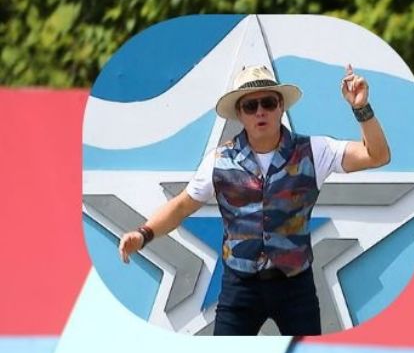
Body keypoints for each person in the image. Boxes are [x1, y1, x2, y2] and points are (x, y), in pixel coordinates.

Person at [117, 64, 392, 335]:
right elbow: (180, 206)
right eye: (250, 106)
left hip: (295, 287)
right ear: (240, 114)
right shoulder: (220, 160)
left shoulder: (314, 151)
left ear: (281, 107)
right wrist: (143, 234)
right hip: (240, 288)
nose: (260, 111)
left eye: (268, 103)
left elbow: (377, 155)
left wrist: (361, 108)